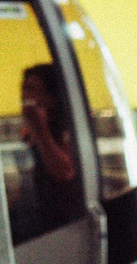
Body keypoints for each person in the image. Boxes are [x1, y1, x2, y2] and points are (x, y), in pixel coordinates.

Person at [9, 63, 87, 243]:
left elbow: (65, 171)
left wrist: (39, 127)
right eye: (23, 89)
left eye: (32, 89)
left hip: (62, 228)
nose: (24, 96)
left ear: (51, 98)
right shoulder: (30, 134)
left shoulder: (66, 131)